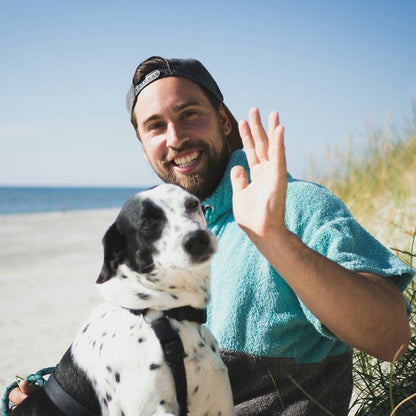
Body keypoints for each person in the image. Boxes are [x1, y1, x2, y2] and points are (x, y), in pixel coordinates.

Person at [10, 57, 414, 415]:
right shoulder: (165, 231)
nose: (175, 138)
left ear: (223, 121)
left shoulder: (296, 206)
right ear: (144, 146)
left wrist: (276, 239)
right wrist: (59, 398)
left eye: (189, 115)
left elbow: (391, 337)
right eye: (155, 127)